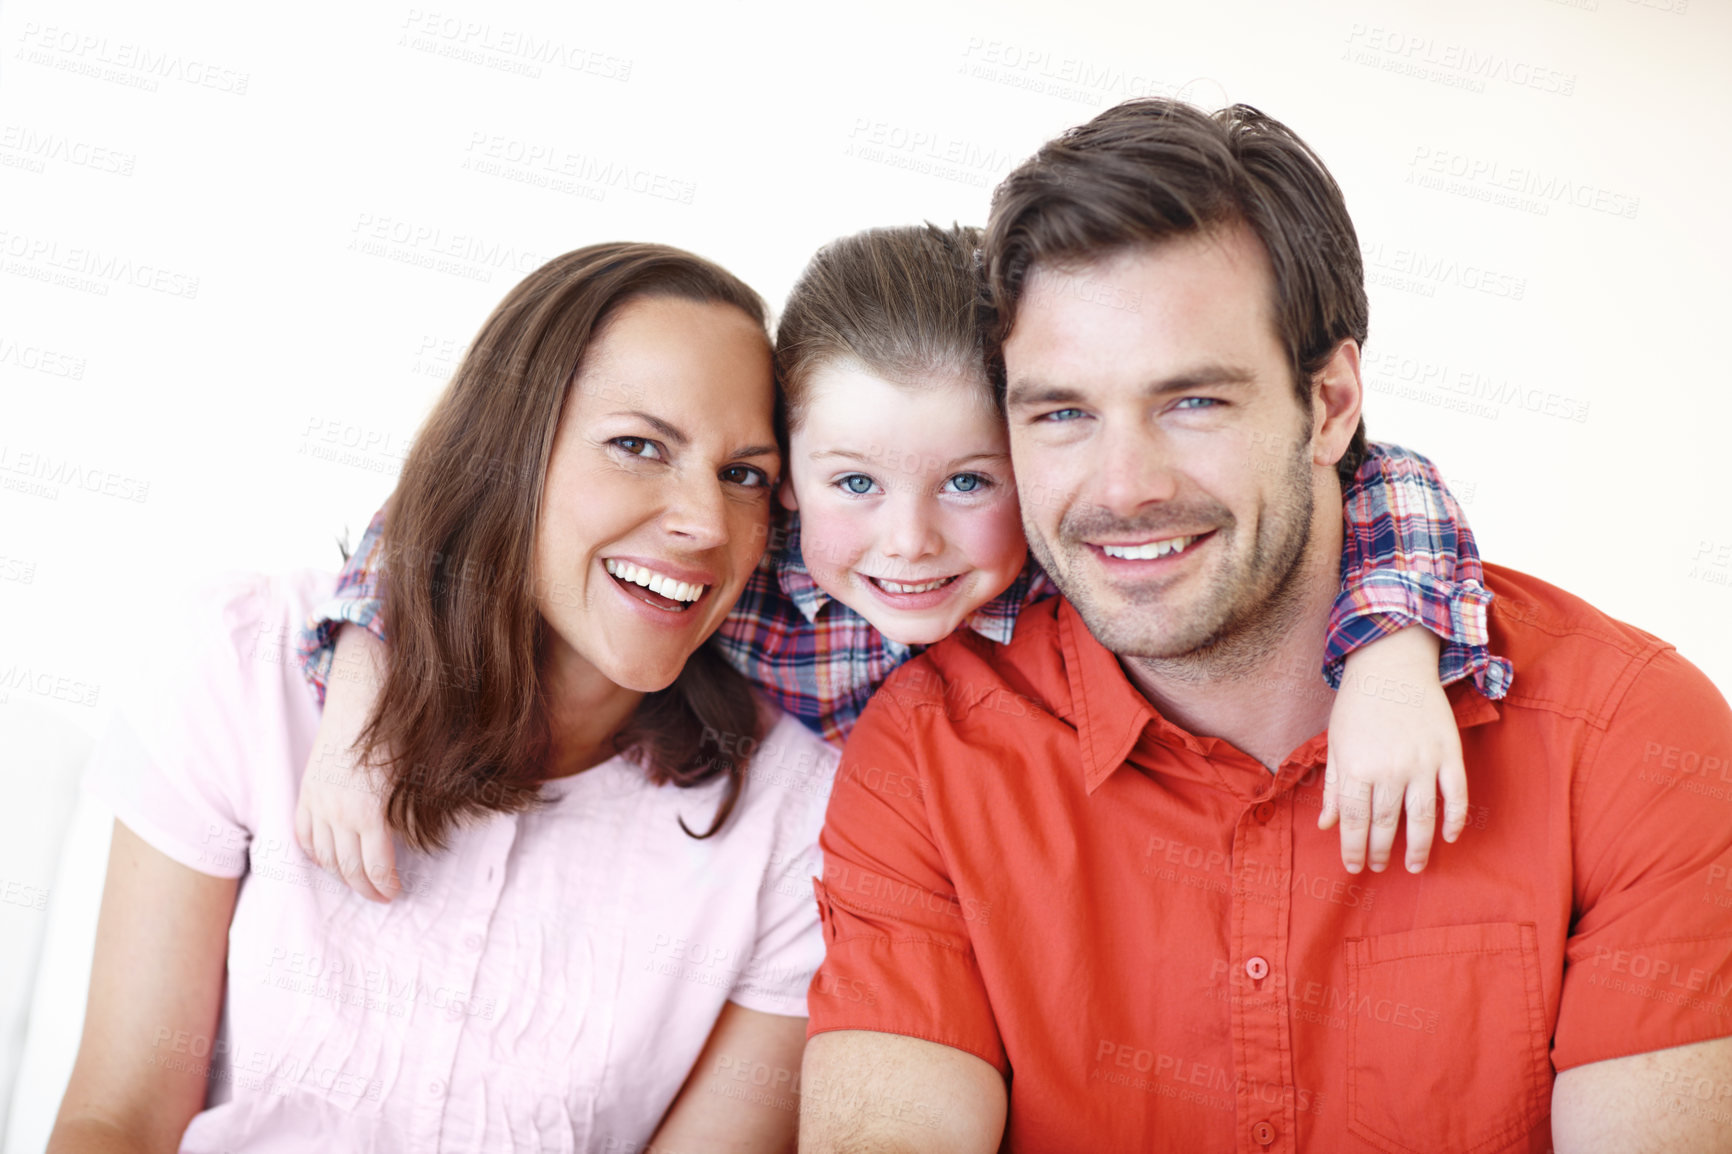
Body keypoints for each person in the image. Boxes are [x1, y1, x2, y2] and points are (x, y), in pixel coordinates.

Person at [798, 101, 1732, 1151]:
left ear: (1329, 404)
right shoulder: (929, 748)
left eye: (1192, 401)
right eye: (1060, 412)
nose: (1123, 487)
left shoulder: (1632, 740)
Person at [297, 225, 1504, 904]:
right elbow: (458, 515)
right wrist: (360, 702)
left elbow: (1369, 478)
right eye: (854, 482)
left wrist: (1390, 663)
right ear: (786, 463)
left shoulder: (1073, 564)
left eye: (968, 480)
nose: (909, 543)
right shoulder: (738, 556)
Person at [48, 244, 833, 1152]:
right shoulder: (248, 667)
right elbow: (121, 1118)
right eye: (637, 447)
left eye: (745, 474)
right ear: (510, 449)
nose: (704, 522)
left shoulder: (798, 817)